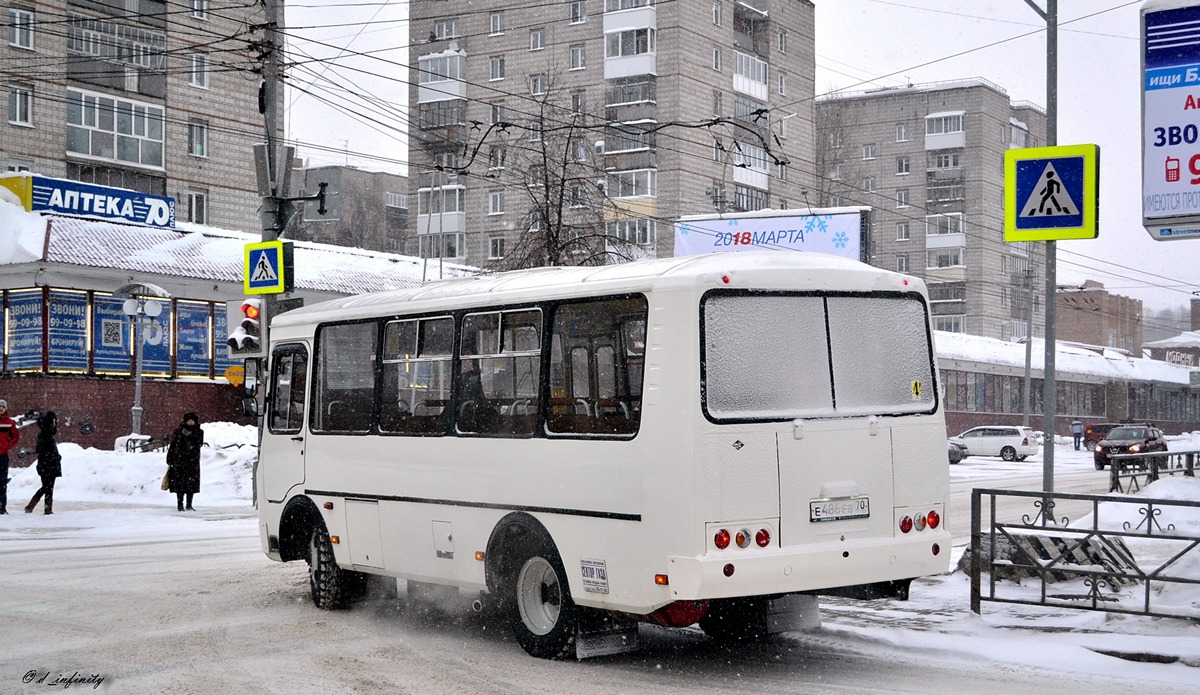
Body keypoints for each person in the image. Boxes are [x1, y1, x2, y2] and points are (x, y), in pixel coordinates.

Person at [24, 411, 60, 515]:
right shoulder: (45, 434)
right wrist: (53, 457)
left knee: (48, 487)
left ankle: (46, 509)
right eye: (53, 422)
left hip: (49, 464)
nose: (54, 424)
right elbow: (41, 449)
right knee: (47, 487)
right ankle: (32, 506)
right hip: (47, 464)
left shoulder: (46, 434)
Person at [166, 412, 204, 511]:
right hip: (179, 461)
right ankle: (180, 504)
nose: (190, 422)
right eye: (189, 421)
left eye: (192, 421)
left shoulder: (199, 432)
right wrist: (170, 457)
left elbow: (198, 443)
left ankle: (189, 504)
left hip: (192, 462)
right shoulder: (178, 431)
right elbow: (173, 445)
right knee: (180, 484)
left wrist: (189, 435)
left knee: (191, 485)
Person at [0, 399, 19, 515]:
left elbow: (15, 437)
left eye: (2, 406)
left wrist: (6, 446)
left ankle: (2, 506)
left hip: (3, 456)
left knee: (2, 482)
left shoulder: (9, 422)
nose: (0, 408)